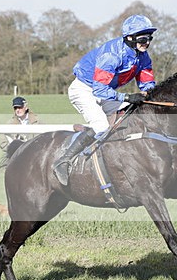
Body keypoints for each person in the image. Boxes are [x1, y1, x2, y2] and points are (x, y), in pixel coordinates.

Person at [53, 14, 157, 185]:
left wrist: (153, 96)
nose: (147, 42)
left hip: (106, 91)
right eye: (143, 38)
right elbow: (99, 89)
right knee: (102, 127)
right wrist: (128, 97)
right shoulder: (111, 55)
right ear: (129, 37)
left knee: (130, 117)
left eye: (149, 38)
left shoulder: (143, 56)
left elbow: (147, 85)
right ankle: (63, 161)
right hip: (85, 89)